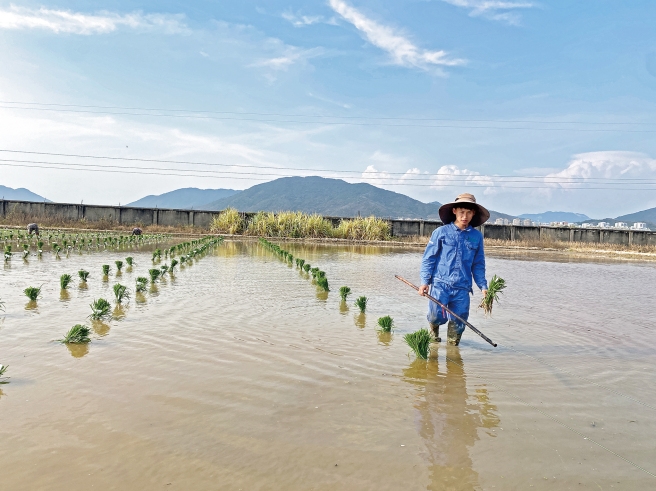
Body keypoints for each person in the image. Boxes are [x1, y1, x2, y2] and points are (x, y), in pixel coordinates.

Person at [419, 193, 489, 346]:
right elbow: (429, 259)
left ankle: (452, 347)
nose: (465, 216)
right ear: (454, 211)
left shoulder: (476, 237)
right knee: (436, 315)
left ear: (473, 213)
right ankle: (434, 333)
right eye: (462, 212)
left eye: (469, 212)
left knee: (459, 320)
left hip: (462, 287)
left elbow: (478, 264)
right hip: (440, 284)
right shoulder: (441, 233)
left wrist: (483, 286)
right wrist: (424, 282)